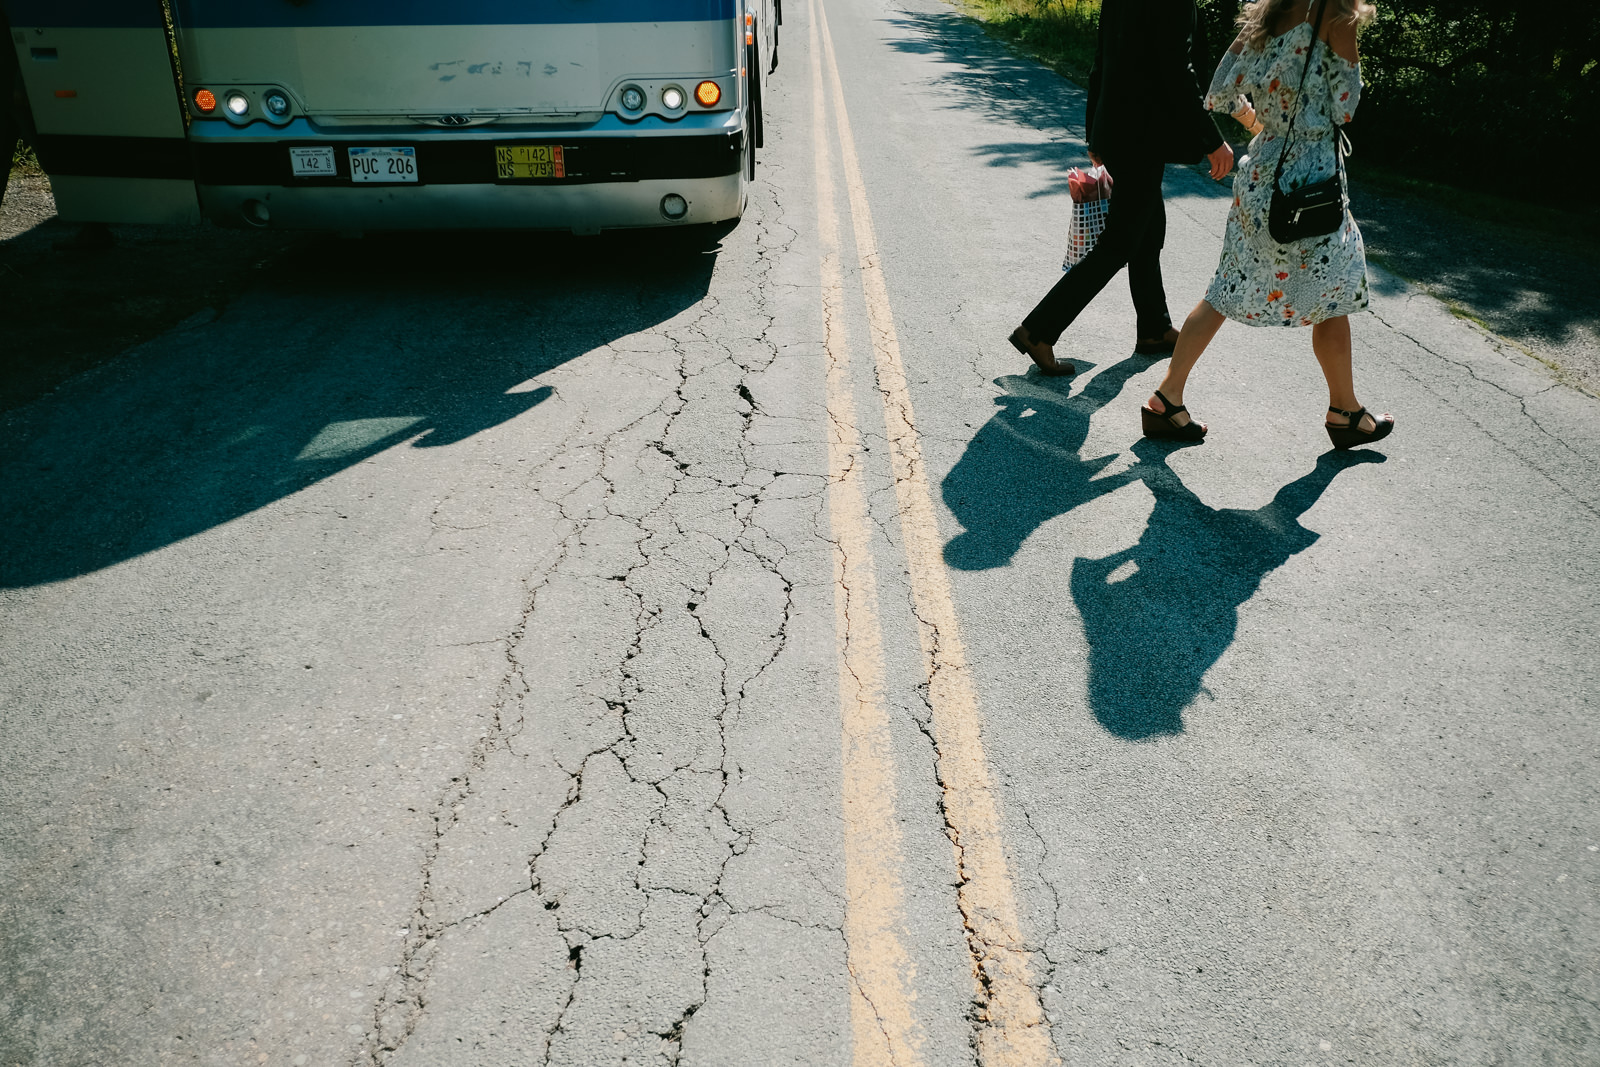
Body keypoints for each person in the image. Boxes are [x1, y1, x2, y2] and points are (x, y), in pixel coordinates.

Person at [1141, 0, 1394, 450]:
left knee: (1224, 287)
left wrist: (1262, 123)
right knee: (1333, 289)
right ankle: (1344, 412)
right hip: (1311, 181)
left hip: (1261, 173)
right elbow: (1346, 106)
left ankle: (1167, 397)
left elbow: (1219, 91)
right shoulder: (1336, 16)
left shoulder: (1267, 14)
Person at [1009, 0, 1235, 377]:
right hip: (1142, 135)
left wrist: (1095, 131)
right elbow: (1177, 67)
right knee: (1119, 243)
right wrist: (1211, 139)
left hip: (1120, 127)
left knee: (1147, 232)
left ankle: (1153, 327)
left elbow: (1104, 57)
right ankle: (1038, 330)